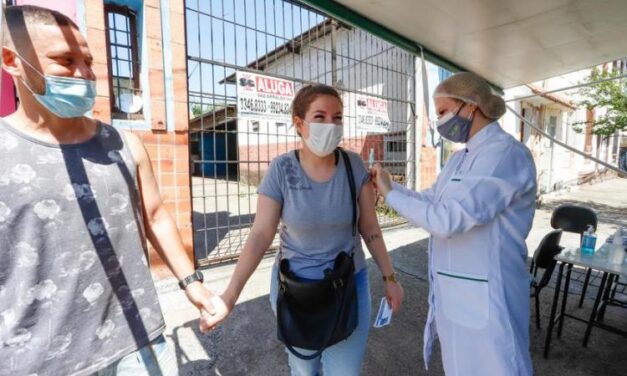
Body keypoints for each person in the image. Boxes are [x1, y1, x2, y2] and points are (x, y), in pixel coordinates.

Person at [0, 5, 219, 375]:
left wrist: (192, 283)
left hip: (139, 343)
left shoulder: (124, 144)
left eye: (88, 62)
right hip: (35, 359)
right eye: (65, 61)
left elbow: (156, 216)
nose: (84, 75)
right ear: (13, 61)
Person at [201, 84, 404, 375]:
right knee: (304, 370)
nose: (330, 125)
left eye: (337, 117)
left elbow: (370, 228)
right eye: (319, 117)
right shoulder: (282, 170)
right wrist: (230, 296)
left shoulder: (353, 165)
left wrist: (390, 277)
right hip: (295, 290)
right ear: (300, 123)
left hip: (348, 285)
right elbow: (260, 234)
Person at [372, 72, 536, 375]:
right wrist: (390, 187)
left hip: (490, 298)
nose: (440, 122)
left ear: (471, 105)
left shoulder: (505, 154)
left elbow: (447, 220)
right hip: (456, 298)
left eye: (444, 111)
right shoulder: (461, 159)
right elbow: (432, 201)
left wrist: (389, 196)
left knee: (499, 366)